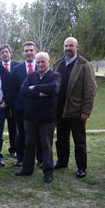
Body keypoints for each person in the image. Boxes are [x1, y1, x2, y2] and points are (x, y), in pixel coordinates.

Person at [53, 37, 97, 178]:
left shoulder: (84, 65)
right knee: (61, 139)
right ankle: (62, 161)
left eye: (71, 45)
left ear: (77, 47)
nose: (68, 48)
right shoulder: (58, 63)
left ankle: (81, 167)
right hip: (60, 109)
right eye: (66, 46)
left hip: (76, 111)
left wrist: (86, 110)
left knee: (79, 141)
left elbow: (90, 90)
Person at [15, 52, 61, 183]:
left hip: (47, 119)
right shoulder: (31, 75)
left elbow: (54, 88)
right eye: (38, 62)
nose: (40, 64)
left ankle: (48, 172)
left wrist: (35, 88)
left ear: (49, 62)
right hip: (30, 117)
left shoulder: (55, 75)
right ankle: (27, 169)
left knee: (46, 145)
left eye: (43, 62)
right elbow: (23, 90)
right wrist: (40, 94)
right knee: (29, 144)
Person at [12, 41, 39, 167]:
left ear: (35, 52)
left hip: (39, 108)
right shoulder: (16, 69)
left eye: (31, 50)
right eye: (26, 50)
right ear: (23, 53)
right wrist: (16, 105)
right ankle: (20, 158)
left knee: (39, 134)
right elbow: (13, 89)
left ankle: (40, 159)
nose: (29, 53)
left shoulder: (41, 67)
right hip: (21, 108)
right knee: (21, 133)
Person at [0, 44, 19, 158]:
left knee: (13, 127)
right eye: (2, 52)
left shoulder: (17, 66)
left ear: (10, 53)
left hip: (13, 103)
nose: (5, 54)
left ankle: (14, 149)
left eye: (7, 52)